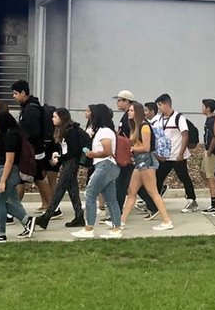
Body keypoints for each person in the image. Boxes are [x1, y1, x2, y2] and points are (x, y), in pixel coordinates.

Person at [0, 109, 35, 242]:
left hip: (7, 171)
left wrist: (3, 180)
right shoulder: (10, 133)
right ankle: (27, 220)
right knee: (4, 202)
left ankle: (1, 233)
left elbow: (9, 160)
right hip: (5, 170)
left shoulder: (10, 136)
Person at [119, 103, 175, 231]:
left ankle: (167, 221)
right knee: (132, 192)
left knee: (153, 192)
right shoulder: (136, 127)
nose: (129, 112)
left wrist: (131, 148)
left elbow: (146, 147)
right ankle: (121, 221)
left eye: (132, 110)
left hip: (147, 161)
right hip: (140, 162)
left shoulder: (144, 127)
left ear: (137, 112)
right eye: (129, 110)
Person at [72, 104, 124, 239]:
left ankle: (89, 228)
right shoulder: (106, 130)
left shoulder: (104, 131)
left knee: (90, 194)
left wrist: (92, 154)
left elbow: (107, 151)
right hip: (110, 167)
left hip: (104, 166)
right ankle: (116, 229)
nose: (89, 115)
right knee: (111, 200)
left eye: (91, 113)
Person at [34, 108, 90, 230]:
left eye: (55, 117)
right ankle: (79, 216)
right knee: (73, 190)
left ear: (62, 118)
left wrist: (60, 158)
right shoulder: (64, 130)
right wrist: (59, 156)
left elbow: (73, 151)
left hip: (70, 163)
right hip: (67, 162)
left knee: (59, 189)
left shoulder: (70, 131)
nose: (52, 119)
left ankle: (46, 217)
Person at [12, 80, 54, 211]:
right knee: (38, 178)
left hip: (33, 150)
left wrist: (21, 141)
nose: (13, 96)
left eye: (15, 93)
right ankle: (50, 206)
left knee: (29, 179)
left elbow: (33, 132)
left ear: (23, 93)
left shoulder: (31, 109)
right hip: (33, 150)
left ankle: (13, 209)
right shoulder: (29, 107)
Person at [153, 94, 198, 213]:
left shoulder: (179, 118)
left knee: (184, 177)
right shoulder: (158, 118)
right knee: (158, 177)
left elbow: (185, 135)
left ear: (167, 104)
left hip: (177, 155)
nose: (159, 108)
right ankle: (154, 202)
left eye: (160, 105)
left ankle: (192, 200)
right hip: (164, 156)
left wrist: (181, 153)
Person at [199, 99, 215, 213]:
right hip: (208, 151)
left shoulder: (212, 120)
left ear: (208, 108)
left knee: (211, 177)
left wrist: (209, 151)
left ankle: (214, 204)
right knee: (203, 173)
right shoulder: (209, 119)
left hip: (213, 153)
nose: (201, 108)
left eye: (203, 106)